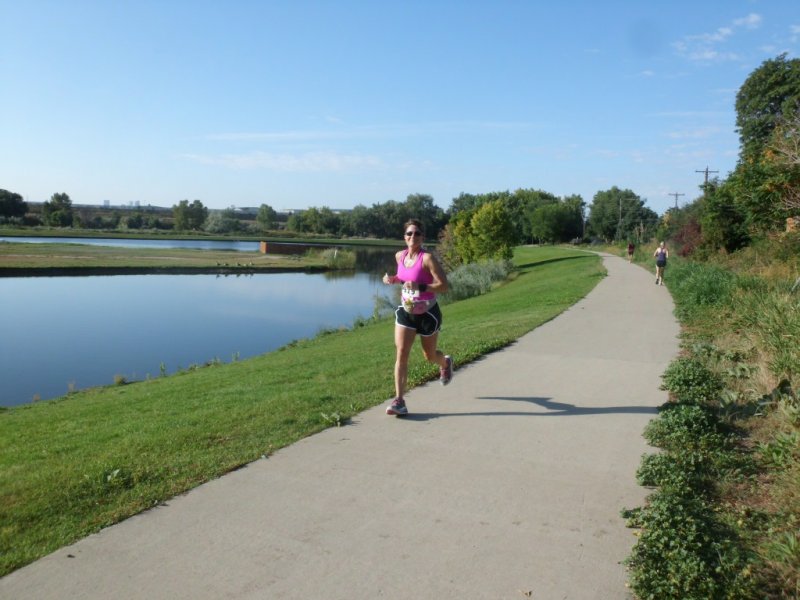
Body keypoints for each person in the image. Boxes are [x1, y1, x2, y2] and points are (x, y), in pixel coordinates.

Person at [382, 219, 453, 415]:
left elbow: (444, 286)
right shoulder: (400, 256)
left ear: (423, 237)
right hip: (406, 312)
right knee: (401, 353)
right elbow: (404, 278)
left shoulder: (427, 258)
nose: (413, 236)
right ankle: (399, 401)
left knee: (429, 356)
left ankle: (445, 363)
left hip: (428, 313)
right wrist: (392, 279)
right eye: (409, 233)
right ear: (404, 237)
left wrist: (420, 287)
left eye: (417, 233)